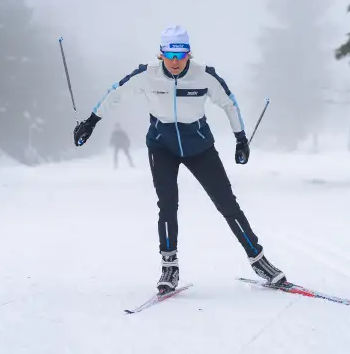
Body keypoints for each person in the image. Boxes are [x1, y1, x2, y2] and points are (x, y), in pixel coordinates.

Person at [73, 25, 288, 293]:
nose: (175, 61)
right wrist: (91, 122)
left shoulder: (204, 76)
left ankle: (258, 260)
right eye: (170, 54)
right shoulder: (147, 75)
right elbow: (115, 93)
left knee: (227, 203)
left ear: (189, 53)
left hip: (199, 147)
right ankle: (169, 266)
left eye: (181, 54)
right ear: (161, 54)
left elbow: (229, 103)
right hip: (162, 146)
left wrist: (240, 139)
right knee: (167, 205)